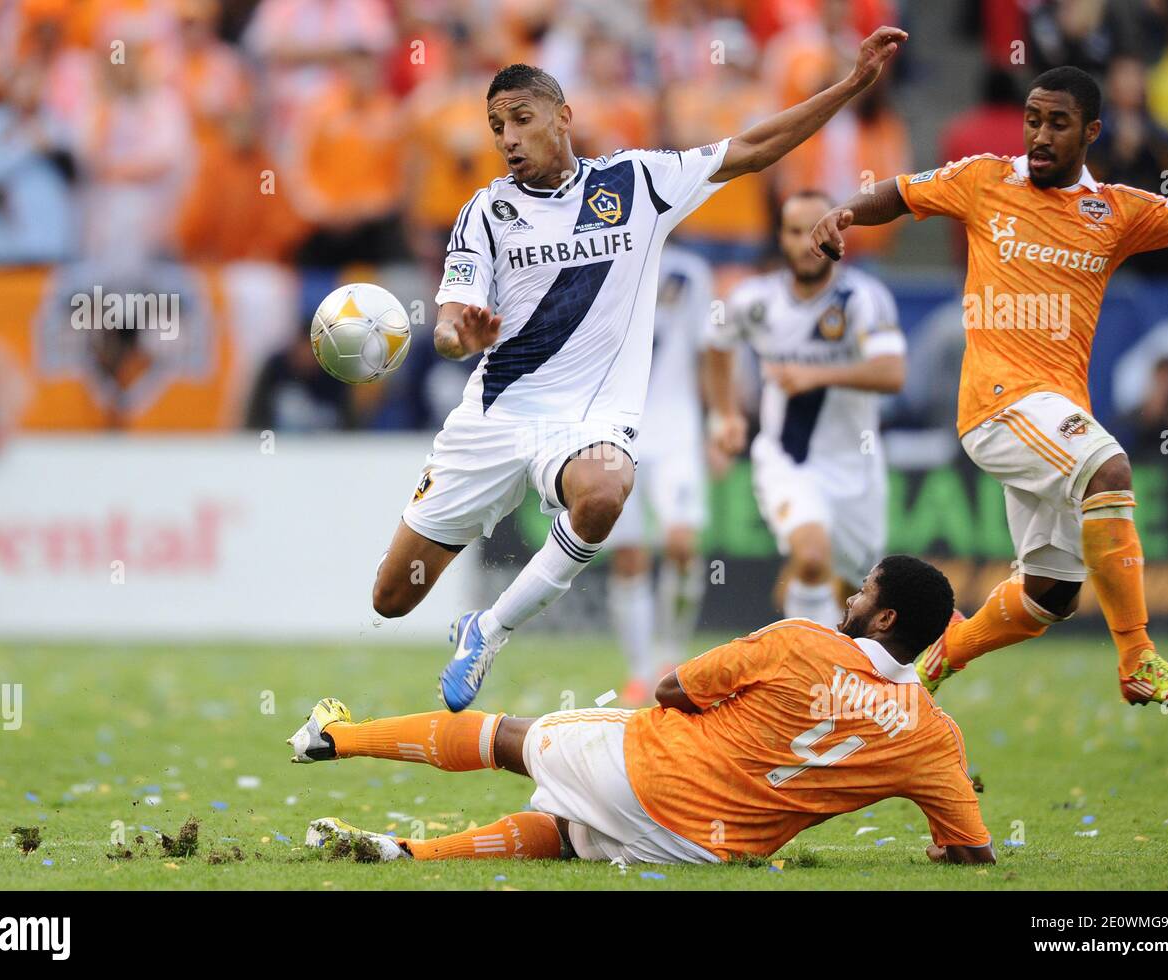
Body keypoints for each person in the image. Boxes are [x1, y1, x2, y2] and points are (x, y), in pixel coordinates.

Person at [370, 27, 909, 712]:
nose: (506, 138)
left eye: (521, 119)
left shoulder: (637, 182)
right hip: (496, 416)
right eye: (496, 126)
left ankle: (490, 628)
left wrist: (851, 87)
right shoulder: (487, 212)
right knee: (393, 596)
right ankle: (471, 613)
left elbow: (752, 149)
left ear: (563, 117)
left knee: (603, 492)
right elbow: (450, 321)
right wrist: (457, 334)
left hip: (589, 423)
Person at [810, 65, 1168, 705]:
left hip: (1051, 412)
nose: (1040, 135)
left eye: (1058, 123)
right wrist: (844, 213)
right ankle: (1139, 658)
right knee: (1108, 470)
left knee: (1049, 595)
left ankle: (937, 660)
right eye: (1033, 120)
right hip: (998, 404)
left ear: (1092, 131)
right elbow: (900, 191)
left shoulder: (1116, 211)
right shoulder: (984, 179)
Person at [289, 555, 994, 867]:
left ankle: (335, 736)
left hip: (650, 775)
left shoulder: (799, 641)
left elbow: (672, 691)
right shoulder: (933, 736)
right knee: (570, 835)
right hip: (704, 852)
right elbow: (972, 850)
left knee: (509, 737)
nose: (850, 597)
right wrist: (948, 843)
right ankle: (407, 853)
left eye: (863, 592)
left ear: (884, 617)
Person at [711, 189, 904, 628]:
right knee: (813, 558)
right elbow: (716, 346)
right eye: (795, 232)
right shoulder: (753, 301)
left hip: (857, 468)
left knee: (855, 593)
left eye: (815, 231)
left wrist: (817, 375)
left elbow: (892, 373)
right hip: (787, 460)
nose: (806, 243)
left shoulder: (862, 298)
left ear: (837, 233)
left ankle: (824, 660)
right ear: (781, 238)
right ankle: (808, 678)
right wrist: (725, 414)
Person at [607, 244, 717, 705]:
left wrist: (721, 421)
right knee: (629, 555)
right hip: (617, 431)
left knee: (681, 546)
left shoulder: (691, 270)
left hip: (678, 433)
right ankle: (639, 672)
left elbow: (712, 349)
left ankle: (670, 654)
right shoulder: (605, 258)